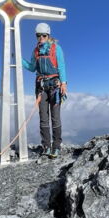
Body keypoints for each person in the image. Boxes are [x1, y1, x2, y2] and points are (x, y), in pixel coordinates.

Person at [22, 23, 67, 159]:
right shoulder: (36, 51)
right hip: (41, 87)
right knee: (43, 118)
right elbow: (31, 67)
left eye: (43, 35)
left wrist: (64, 83)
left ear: (48, 36)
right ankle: (46, 146)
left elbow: (61, 66)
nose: (41, 38)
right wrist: (19, 60)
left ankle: (57, 147)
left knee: (55, 117)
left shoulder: (56, 49)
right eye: (38, 35)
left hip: (54, 87)